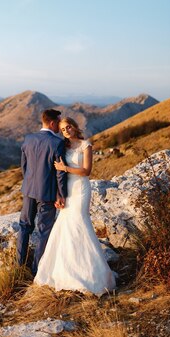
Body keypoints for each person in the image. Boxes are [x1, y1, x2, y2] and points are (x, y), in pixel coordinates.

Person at [34, 117, 116, 295]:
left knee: (80, 223)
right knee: (65, 226)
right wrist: (58, 195)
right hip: (66, 191)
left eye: (69, 127)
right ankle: (67, 271)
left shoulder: (85, 145)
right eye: (63, 129)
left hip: (81, 189)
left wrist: (66, 169)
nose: (66, 131)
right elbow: (56, 174)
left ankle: (92, 274)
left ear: (75, 127)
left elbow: (87, 171)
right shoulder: (62, 147)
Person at [16, 109, 67, 276]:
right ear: (52, 123)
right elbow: (60, 172)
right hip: (48, 193)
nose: (60, 126)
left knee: (24, 227)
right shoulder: (57, 143)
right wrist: (62, 194)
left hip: (29, 190)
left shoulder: (28, 139)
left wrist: (29, 183)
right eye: (59, 123)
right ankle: (37, 270)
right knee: (44, 231)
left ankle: (19, 265)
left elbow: (24, 166)